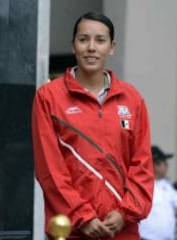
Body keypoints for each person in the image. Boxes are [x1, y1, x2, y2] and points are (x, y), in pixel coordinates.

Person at [31, 12, 154, 239]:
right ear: (73, 45)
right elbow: (50, 170)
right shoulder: (49, 97)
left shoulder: (132, 99)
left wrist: (124, 213)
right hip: (72, 231)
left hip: (122, 230)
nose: (91, 47)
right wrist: (82, 217)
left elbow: (143, 166)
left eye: (100, 40)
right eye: (83, 39)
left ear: (112, 47)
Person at [139, 145, 177, 240]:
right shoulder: (142, 186)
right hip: (146, 238)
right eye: (164, 163)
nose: (167, 166)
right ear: (155, 164)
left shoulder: (167, 186)